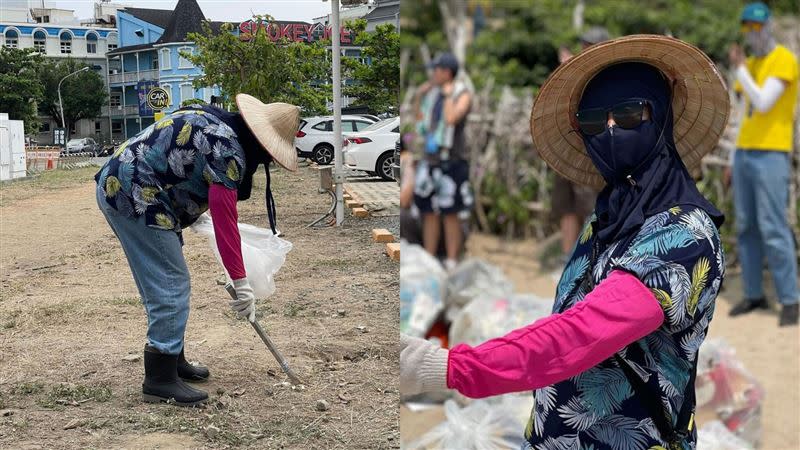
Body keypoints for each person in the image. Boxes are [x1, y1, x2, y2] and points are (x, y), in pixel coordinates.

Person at [401, 35, 730, 449]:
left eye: (628, 113)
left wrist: (452, 367)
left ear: (660, 116)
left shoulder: (685, 234)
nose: (609, 130)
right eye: (593, 122)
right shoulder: (607, 219)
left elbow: (582, 333)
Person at [95, 95, 300, 406]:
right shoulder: (229, 150)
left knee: (167, 280)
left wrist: (191, 210)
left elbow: (177, 158)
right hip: (134, 194)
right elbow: (225, 220)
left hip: (130, 185)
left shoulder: (215, 122)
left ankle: (173, 358)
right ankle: (159, 378)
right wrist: (241, 282)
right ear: (262, 144)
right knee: (170, 283)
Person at [725, 2, 799, 327]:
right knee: (745, 226)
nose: (753, 32)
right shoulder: (751, 63)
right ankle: (754, 293)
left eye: (758, 26)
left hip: (771, 154)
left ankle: (790, 299)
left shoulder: (783, 59)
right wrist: (731, 157)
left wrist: (740, 68)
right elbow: (745, 115)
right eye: (748, 27)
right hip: (744, 153)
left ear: (768, 26)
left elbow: (764, 103)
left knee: (773, 227)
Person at [553, 26, 610, 264]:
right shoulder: (573, 70)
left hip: (592, 148)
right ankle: (568, 260)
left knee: (589, 207)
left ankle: (589, 260)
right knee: (566, 205)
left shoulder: (606, 75)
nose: (584, 49)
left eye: (589, 45)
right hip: (567, 144)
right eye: (584, 45)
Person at [413, 52, 474, 271]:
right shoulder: (433, 94)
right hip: (431, 159)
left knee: (450, 213)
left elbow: (451, 119)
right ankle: (429, 258)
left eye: (436, 70)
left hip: (452, 160)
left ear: (446, 72)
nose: (432, 74)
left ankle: (451, 259)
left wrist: (448, 96)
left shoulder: (462, 93)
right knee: (428, 210)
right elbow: (420, 122)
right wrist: (420, 96)